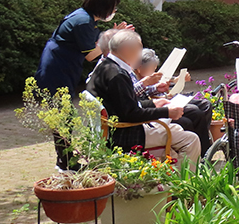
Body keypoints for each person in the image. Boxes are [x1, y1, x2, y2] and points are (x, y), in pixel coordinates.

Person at [36, 0, 131, 168]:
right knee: (64, 117)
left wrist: (111, 36)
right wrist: (114, 40)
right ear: (103, 7)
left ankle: (66, 160)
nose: (114, 11)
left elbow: (93, 44)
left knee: (64, 116)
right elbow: (90, 54)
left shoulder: (85, 18)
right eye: (113, 7)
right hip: (57, 70)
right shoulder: (82, 22)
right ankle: (66, 162)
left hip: (61, 67)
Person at [86, 31, 200, 169]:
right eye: (139, 49)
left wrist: (154, 103)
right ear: (127, 50)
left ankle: (169, 178)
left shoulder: (104, 67)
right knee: (191, 140)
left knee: (177, 129)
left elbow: (124, 105)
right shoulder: (117, 75)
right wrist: (166, 112)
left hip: (117, 129)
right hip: (125, 135)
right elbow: (131, 114)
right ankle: (183, 183)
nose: (140, 55)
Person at [136, 49, 215, 155]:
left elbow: (157, 87)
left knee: (204, 105)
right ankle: (199, 152)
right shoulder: (136, 79)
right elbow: (142, 98)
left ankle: (204, 148)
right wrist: (163, 96)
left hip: (164, 102)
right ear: (140, 68)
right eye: (151, 69)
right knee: (192, 114)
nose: (153, 72)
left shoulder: (147, 78)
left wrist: (175, 82)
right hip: (156, 109)